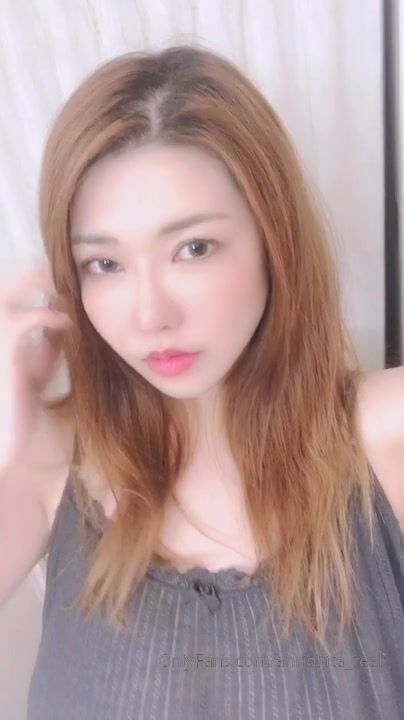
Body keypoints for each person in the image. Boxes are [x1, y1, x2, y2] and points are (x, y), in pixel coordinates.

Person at [0, 43, 402, 719]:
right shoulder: (46, 463)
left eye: (193, 248)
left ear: (274, 240)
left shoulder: (385, 437)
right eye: (104, 264)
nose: (150, 315)